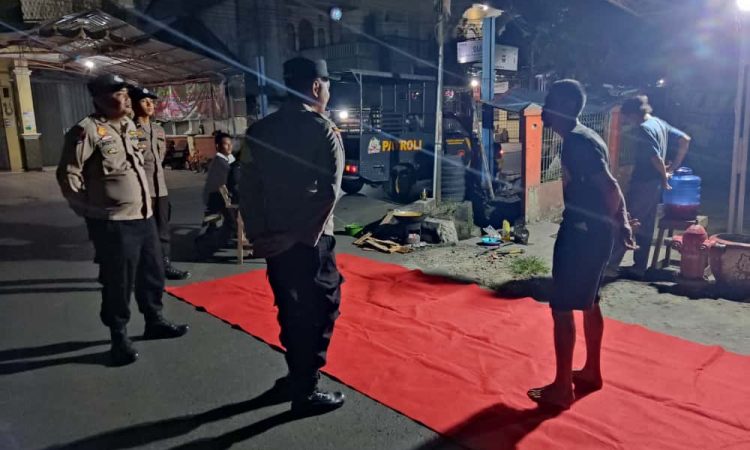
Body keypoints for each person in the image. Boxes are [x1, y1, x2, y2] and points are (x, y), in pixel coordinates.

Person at [56, 74, 188, 366]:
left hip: (143, 216)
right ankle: (119, 337)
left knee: (153, 272)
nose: (127, 98)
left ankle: (154, 320)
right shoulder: (86, 130)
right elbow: (68, 175)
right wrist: (89, 210)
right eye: (119, 93)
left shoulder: (129, 125)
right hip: (114, 222)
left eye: (127, 92)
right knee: (118, 281)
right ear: (99, 98)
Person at [239, 57, 345, 415]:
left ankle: (296, 374)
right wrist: (297, 236)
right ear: (316, 86)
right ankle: (306, 388)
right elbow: (329, 193)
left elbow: (247, 187)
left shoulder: (260, 130)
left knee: (290, 308)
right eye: (327, 85)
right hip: (312, 243)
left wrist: (259, 235)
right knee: (321, 309)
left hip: (273, 240)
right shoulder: (322, 130)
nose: (328, 92)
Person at [527, 80, 635, 410]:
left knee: (562, 307)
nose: (544, 108)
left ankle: (562, 388)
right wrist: (621, 222)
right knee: (590, 301)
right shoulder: (586, 137)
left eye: (550, 101)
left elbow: (610, 187)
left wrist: (620, 221)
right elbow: (611, 186)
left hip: (582, 234)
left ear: (565, 106)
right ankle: (591, 372)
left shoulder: (577, 142)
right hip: (596, 233)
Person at [607, 95, 691, 279]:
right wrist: (672, 169)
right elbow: (685, 140)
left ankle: (611, 265)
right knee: (645, 225)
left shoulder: (644, 129)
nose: (625, 121)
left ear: (632, 114)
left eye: (626, 117)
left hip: (644, 183)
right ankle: (639, 267)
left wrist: (665, 175)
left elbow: (655, 158)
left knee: (628, 222)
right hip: (654, 186)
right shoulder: (659, 123)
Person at [129, 85, 190, 280]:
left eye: (151, 101)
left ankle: (165, 265)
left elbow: (160, 158)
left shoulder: (159, 130)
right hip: (141, 190)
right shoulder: (129, 130)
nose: (149, 105)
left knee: (163, 230)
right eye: (144, 101)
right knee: (141, 231)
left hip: (160, 189)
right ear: (134, 104)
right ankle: (141, 269)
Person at [194, 132, 235, 259]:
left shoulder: (226, 159)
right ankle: (208, 244)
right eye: (226, 144)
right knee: (233, 221)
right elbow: (230, 181)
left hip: (219, 197)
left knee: (226, 224)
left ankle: (214, 239)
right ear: (218, 146)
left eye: (230, 144)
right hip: (216, 198)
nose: (229, 147)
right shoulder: (220, 163)